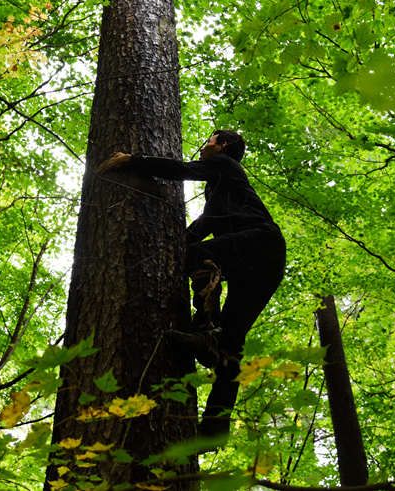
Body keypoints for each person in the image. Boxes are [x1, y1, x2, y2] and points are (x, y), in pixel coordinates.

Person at [98, 130, 286, 441]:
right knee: (231, 343)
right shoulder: (220, 192)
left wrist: (134, 160)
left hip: (261, 245)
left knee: (199, 257)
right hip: (262, 266)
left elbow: (183, 170)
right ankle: (214, 430)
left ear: (223, 146)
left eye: (210, 140)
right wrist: (171, 246)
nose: (205, 145)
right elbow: (203, 226)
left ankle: (204, 327)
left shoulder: (225, 166)